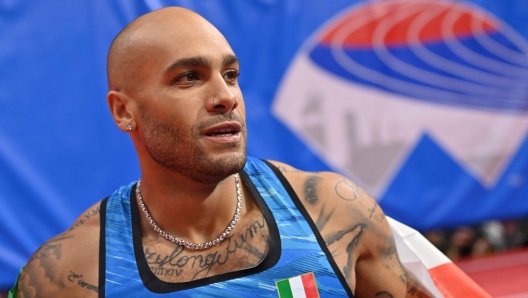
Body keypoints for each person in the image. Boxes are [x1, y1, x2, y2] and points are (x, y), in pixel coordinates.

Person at [11, 7, 433, 297]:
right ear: (125, 111)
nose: (225, 96)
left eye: (230, 74)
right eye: (189, 78)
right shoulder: (72, 273)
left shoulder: (336, 214)